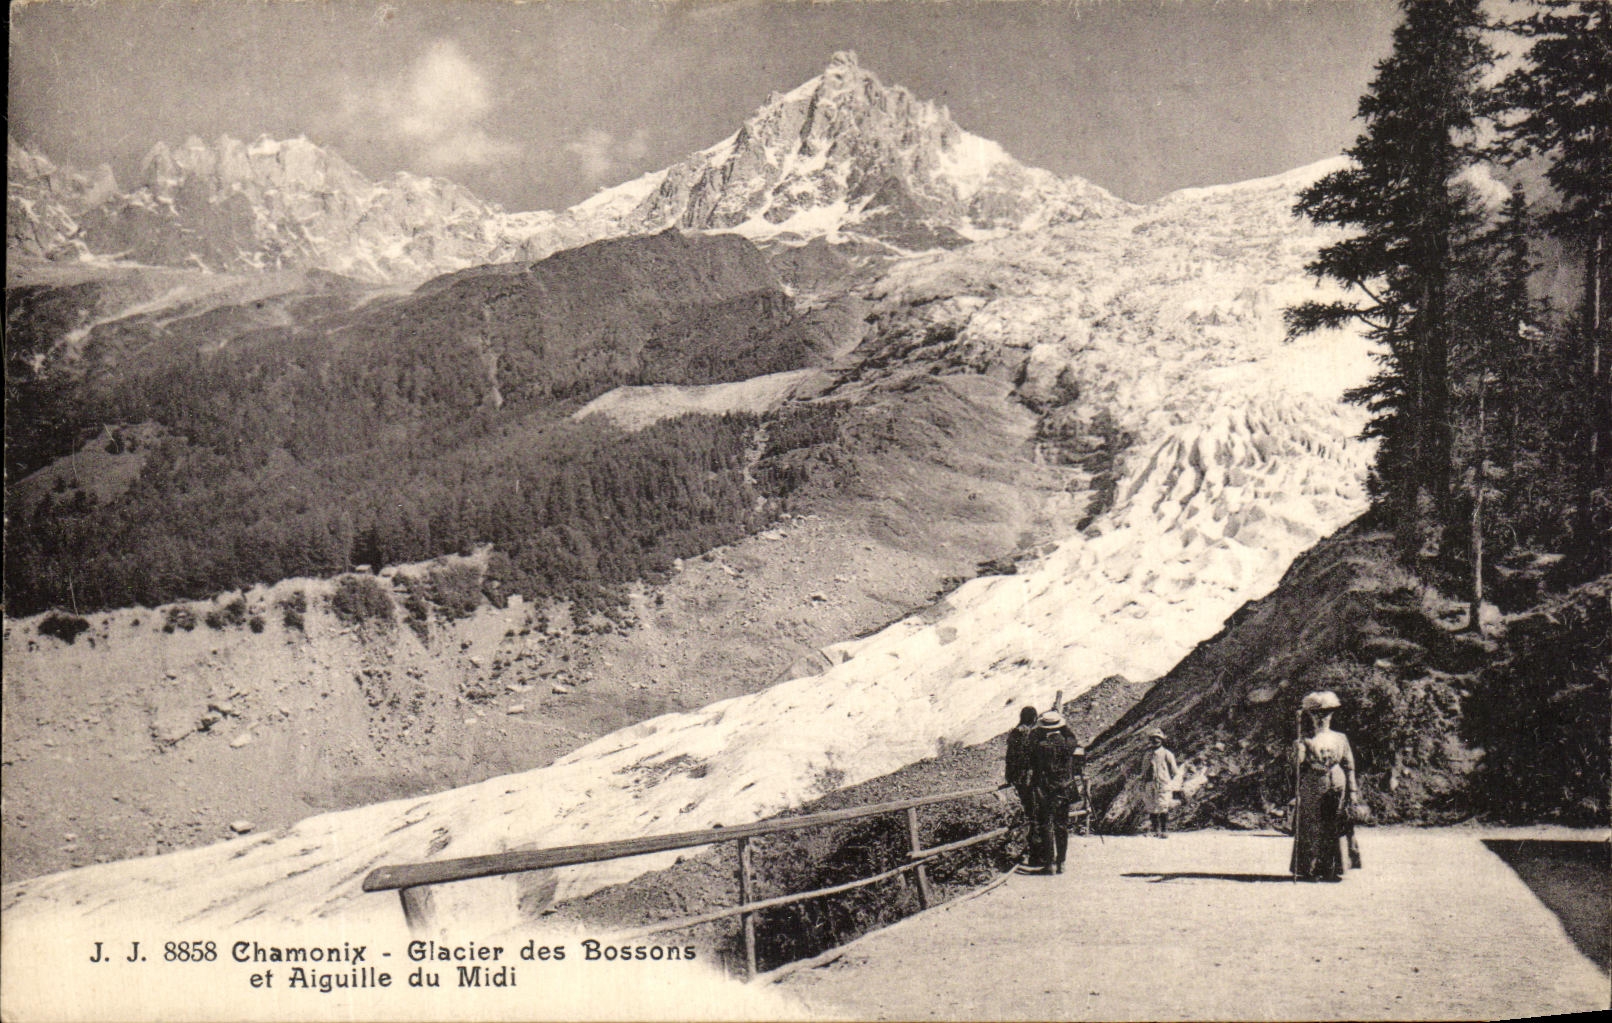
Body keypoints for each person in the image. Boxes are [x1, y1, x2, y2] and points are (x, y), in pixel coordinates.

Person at [1290, 690, 1359, 881]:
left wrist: (1353, 792)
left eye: (1326, 713)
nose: (1321, 718)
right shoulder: (1304, 739)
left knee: (1335, 824)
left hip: (1337, 782)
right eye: (1316, 713)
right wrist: (1298, 750)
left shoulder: (1340, 738)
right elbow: (1297, 766)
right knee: (1313, 825)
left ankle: (1334, 869)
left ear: (1332, 714)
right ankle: (1310, 869)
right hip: (1313, 783)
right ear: (1309, 716)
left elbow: (1349, 766)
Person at [1029, 711, 1081, 873]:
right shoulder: (1068, 743)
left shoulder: (1039, 745)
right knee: (1062, 826)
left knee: (1046, 825)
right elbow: (1071, 735)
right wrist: (1063, 725)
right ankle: (1061, 862)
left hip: (1045, 789)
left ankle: (1049, 863)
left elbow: (1032, 740)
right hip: (1064, 789)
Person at [1005, 706, 1041, 864]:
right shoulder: (1031, 734)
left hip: (1017, 780)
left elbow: (1009, 758)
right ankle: (1033, 853)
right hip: (1029, 780)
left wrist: (1010, 776)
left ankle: (1021, 849)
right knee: (1034, 815)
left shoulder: (1014, 733)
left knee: (1023, 814)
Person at [1141, 728, 1180, 838]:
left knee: (1163, 806)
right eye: (1153, 739)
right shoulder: (1147, 754)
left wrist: (1166, 779)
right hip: (1150, 783)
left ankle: (1164, 830)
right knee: (1151, 806)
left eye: (1158, 739)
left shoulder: (1167, 754)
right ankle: (1154, 830)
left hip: (1162, 783)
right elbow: (1143, 770)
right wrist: (1145, 781)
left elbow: (1174, 771)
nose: (1155, 741)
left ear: (1162, 740)